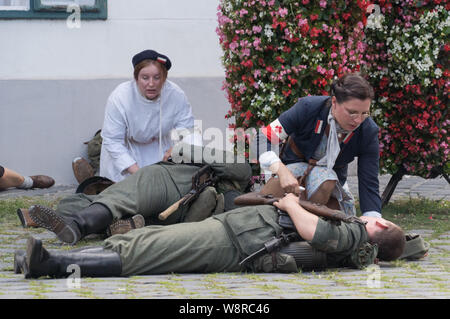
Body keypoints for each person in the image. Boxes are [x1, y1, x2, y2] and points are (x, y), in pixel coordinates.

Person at [16, 193, 406, 279]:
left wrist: (290, 204)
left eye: (380, 220)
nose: (375, 218)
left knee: (148, 254)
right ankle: (39, 258)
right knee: (142, 238)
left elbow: (314, 231)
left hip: (239, 245)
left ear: (383, 228)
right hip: (235, 230)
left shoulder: (358, 238)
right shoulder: (359, 235)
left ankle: (50, 265)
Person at [16, 145, 252, 245]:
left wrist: (180, 149)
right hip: (170, 197)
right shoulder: (238, 182)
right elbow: (240, 168)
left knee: (118, 203)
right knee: (88, 201)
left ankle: (78, 225)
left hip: (173, 202)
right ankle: (92, 224)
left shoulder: (243, 192)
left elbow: (241, 170)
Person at [256, 72, 381, 218]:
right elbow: (263, 139)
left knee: (326, 179)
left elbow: (369, 181)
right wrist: (281, 170)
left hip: (330, 184)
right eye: (352, 113)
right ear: (334, 102)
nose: (358, 120)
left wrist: (374, 221)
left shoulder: (368, 131)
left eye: (364, 113)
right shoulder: (307, 107)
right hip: (290, 172)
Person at [98, 49, 196, 182]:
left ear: (164, 78)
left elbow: (187, 130)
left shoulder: (175, 95)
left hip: (159, 151)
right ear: (136, 78)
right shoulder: (120, 97)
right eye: (145, 78)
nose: (151, 84)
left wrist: (176, 148)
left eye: (157, 77)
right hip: (126, 153)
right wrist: (139, 174)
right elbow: (113, 140)